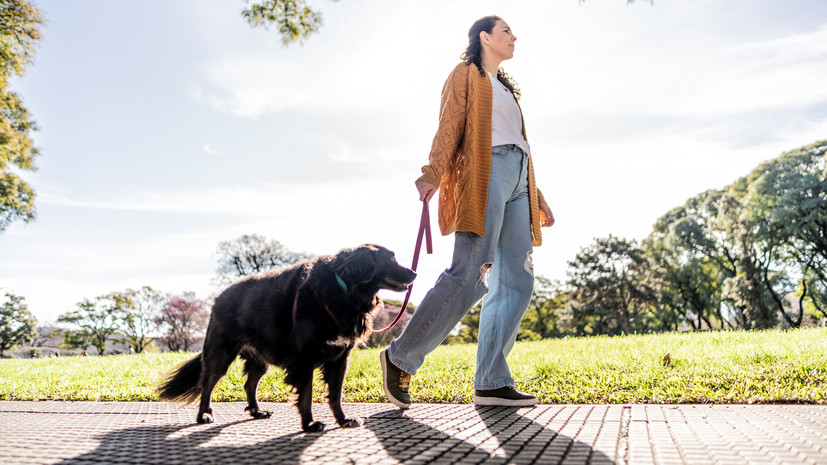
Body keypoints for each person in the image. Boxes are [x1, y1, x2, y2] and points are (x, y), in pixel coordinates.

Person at [381, 15, 555, 408]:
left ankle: (492, 381)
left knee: (517, 279)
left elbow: (518, 143)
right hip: (485, 173)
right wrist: (433, 172)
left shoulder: (506, 89)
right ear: (485, 37)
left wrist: (537, 195)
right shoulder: (465, 75)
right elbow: (449, 126)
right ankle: (400, 357)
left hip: (519, 180)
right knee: (470, 274)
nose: (514, 37)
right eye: (506, 30)